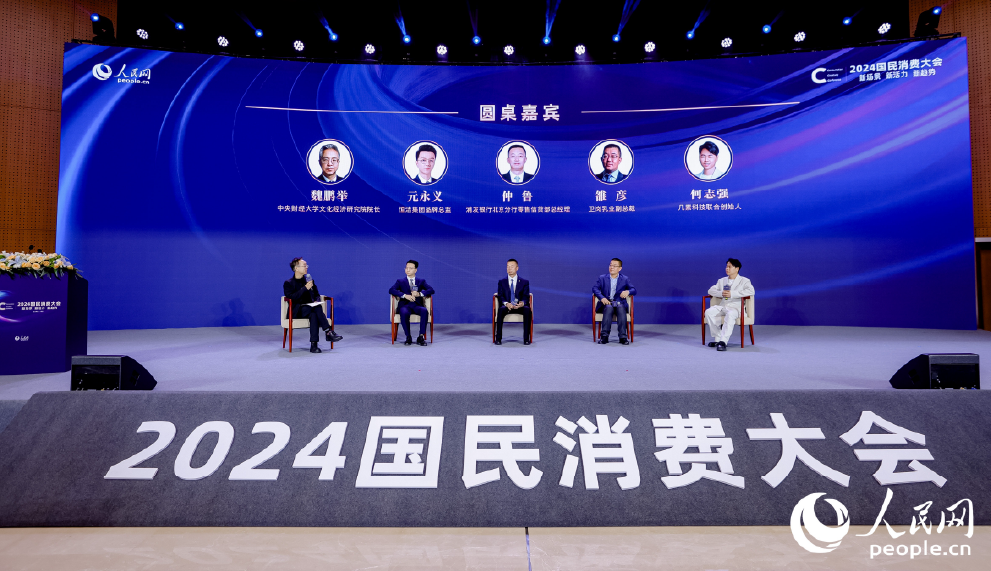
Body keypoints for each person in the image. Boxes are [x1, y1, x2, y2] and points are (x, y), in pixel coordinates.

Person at [283, 257, 343, 353]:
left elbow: (316, 295)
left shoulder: (309, 280)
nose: (306, 267)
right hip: (297, 311)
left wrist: (316, 300)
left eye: (306, 265)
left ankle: (314, 346)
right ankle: (328, 332)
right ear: (296, 268)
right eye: (304, 265)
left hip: (310, 309)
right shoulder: (288, 283)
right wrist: (305, 288)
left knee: (314, 314)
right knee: (316, 308)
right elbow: (292, 297)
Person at [705, 258, 755, 351]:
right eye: (726, 266)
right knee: (708, 312)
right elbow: (710, 290)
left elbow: (751, 291)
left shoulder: (744, 281)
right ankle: (718, 339)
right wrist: (721, 293)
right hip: (723, 306)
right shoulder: (722, 281)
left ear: (737, 268)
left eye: (729, 267)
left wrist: (732, 294)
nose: (727, 268)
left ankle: (723, 341)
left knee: (730, 314)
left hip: (736, 308)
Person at [389, 260, 435, 346]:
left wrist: (419, 294)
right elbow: (391, 290)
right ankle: (408, 337)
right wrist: (404, 295)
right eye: (406, 268)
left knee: (424, 311)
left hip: (417, 305)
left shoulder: (421, 281)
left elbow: (431, 290)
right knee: (403, 311)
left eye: (410, 268)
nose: (408, 270)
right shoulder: (400, 281)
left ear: (415, 270)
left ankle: (421, 337)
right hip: (405, 305)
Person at [592, 258, 636, 344]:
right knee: (609, 307)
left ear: (620, 268)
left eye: (614, 266)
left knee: (620, 307)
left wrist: (628, 292)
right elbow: (595, 288)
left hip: (619, 303)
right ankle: (604, 337)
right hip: (606, 304)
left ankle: (623, 337)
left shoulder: (625, 279)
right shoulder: (602, 278)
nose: (611, 267)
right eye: (610, 265)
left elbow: (634, 290)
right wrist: (602, 298)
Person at [495, 258, 531, 345]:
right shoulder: (502, 282)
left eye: (512, 266)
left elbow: (526, 296)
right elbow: (500, 296)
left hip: (519, 306)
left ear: (517, 268)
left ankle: (526, 339)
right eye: (507, 266)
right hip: (507, 306)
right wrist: (506, 303)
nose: (509, 268)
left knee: (527, 310)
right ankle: (498, 338)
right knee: (500, 310)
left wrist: (522, 303)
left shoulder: (524, 282)